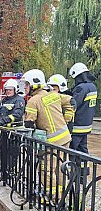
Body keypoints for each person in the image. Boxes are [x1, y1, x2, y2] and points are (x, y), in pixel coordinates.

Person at [22, 69, 73, 201]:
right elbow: (71, 101)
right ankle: (62, 196)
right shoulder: (54, 95)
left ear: (34, 84)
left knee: (45, 171)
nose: (25, 87)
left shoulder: (33, 100)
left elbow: (28, 123)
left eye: (27, 84)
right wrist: (67, 118)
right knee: (60, 168)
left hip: (51, 142)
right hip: (65, 137)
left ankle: (53, 198)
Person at [68, 62, 97, 153]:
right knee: (83, 149)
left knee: (72, 149)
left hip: (77, 125)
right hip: (87, 125)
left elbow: (74, 104)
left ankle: (70, 167)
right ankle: (84, 167)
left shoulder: (81, 88)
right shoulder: (92, 87)